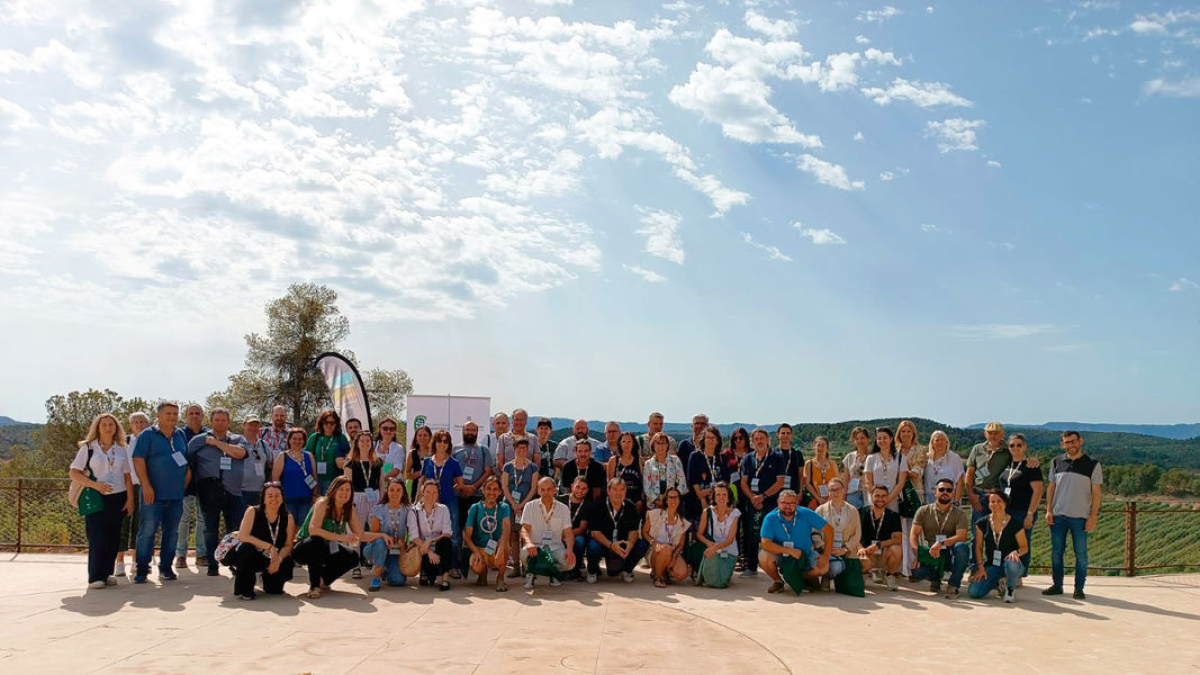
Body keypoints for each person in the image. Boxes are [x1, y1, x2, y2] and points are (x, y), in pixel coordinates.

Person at [69, 413, 133, 588]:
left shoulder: (121, 449)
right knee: (97, 536)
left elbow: (127, 476)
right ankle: (95, 577)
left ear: (116, 428)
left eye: (111, 424)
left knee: (113, 537)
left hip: (118, 496)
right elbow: (74, 472)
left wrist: (130, 499)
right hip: (96, 497)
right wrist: (95, 485)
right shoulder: (88, 448)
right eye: (104, 424)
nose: (108, 427)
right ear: (97, 427)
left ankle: (106, 573)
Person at [295, 475, 385, 598]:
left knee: (353, 557)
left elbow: (361, 535)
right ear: (334, 490)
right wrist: (342, 538)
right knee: (317, 540)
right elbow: (313, 530)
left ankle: (323, 580)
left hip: (326, 547)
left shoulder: (349, 508)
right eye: (341, 489)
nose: (344, 493)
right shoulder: (322, 503)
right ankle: (314, 586)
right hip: (304, 548)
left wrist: (382, 535)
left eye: (348, 490)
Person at [186, 408, 248, 577]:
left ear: (228, 422)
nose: (220, 423)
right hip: (209, 490)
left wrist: (216, 443)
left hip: (233, 491)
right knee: (210, 529)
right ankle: (212, 564)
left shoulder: (237, 439)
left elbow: (240, 453)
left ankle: (234, 562)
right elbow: (188, 463)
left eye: (223, 420)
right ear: (211, 421)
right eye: (217, 420)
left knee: (234, 529)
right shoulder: (198, 441)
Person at [132, 402, 188, 584]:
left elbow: (185, 462)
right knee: (147, 532)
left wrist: (183, 486)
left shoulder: (180, 435)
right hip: (152, 495)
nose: (172, 417)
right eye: (168, 413)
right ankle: (141, 569)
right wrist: (146, 486)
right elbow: (138, 460)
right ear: (158, 415)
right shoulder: (147, 435)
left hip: (175, 496)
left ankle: (165, 568)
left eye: (175, 413)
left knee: (171, 533)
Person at [1044, 430, 1102, 600]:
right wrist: (1048, 510)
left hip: (1081, 517)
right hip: (1058, 516)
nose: (1071, 445)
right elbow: (1051, 488)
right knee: (1056, 553)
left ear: (1080, 441)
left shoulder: (1093, 464)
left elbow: (1096, 493)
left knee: (1081, 554)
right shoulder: (1056, 462)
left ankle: (1079, 588)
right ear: (1062, 444)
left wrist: (1093, 516)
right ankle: (1057, 586)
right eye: (1067, 442)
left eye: (1073, 441)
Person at [228, 482, 296, 600]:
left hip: (273, 558)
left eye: (277, 495)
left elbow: (288, 545)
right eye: (270, 496)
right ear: (263, 498)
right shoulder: (252, 511)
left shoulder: (288, 517)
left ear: (282, 498)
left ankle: (268, 579)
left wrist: (278, 560)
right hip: (253, 554)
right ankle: (245, 588)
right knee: (246, 548)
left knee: (276, 587)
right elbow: (243, 536)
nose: (274, 499)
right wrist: (269, 547)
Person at [758, 490, 833, 594]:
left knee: (823, 567)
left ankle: (805, 578)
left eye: (791, 503)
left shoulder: (806, 513)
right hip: (781, 555)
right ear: (778, 502)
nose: (787, 506)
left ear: (796, 503)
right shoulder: (770, 518)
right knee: (763, 556)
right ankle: (778, 581)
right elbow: (765, 544)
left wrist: (826, 555)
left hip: (805, 554)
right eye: (784, 503)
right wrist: (790, 551)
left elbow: (829, 530)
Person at [909, 478, 971, 598]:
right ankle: (935, 579)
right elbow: (913, 535)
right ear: (935, 492)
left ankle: (953, 585)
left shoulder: (959, 514)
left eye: (949, 490)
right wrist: (916, 555)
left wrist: (941, 542)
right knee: (915, 573)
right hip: (931, 552)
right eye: (941, 489)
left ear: (953, 493)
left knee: (962, 548)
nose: (945, 492)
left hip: (949, 552)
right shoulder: (923, 511)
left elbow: (962, 536)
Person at [738, 428, 785, 577]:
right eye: (756, 439)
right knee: (752, 534)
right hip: (752, 503)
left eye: (762, 438)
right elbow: (744, 482)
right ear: (752, 441)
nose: (759, 441)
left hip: (770, 502)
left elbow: (780, 482)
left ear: (768, 440)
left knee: (774, 535)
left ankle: (777, 566)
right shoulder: (748, 459)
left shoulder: (777, 457)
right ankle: (751, 567)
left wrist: (763, 497)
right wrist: (753, 497)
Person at [969, 490, 1028, 602]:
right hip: (993, 565)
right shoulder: (982, 522)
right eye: (992, 501)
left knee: (1011, 563)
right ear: (989, 504)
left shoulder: (1015, 523)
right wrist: (981, 568)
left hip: (1012, 564)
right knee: (974, 592)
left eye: (999, 501)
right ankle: (998, 583)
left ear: (1005, 503)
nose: (996, 504)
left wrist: (1016, 552)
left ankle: (1010, 588)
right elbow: (978, 547)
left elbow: (1024, 547)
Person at [421, 429, 465, 578]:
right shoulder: (427, 461)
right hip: (429, 503)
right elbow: (422, 481)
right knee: (429, 532)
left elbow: (460, 483)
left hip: (449, 502)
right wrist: (419, 499)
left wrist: (448, 492)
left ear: (449, 444)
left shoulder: (453, 462)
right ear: (435, 443)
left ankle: (453, 566)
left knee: (452, 534)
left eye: (445, 441)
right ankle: (429, 567)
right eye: (439, 441)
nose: (442, 444)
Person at [454, 419, 495, 575]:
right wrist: (463, 487)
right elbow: (451, 472)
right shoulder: (455, 449)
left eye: (473, 430)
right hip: (459, 495)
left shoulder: (483, 450)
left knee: (476, 530)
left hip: (477, 496)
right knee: (457, 529)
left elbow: (488, 471)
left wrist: (474, 487)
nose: (470, 433)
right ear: (463, 431)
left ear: (477, 432)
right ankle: (458, 564)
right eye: (467, 430)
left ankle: (479, 562)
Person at [999, 433, 1043, 580]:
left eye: (1019, 445)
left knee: (1023, 543)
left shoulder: (1031, 467)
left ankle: (1019, 576)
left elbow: (1038, 491)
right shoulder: (1008, 465)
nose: (1015, 448)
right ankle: (1009, 572)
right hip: (1008, 511)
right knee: (1009, 542)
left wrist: (1030, 513)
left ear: (1025, 447)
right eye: (1012, 445)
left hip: (1023, 512)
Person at [519, 477, 577, 589]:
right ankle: (531, 573)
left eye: (549, 489)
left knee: (570, 562)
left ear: (555, 490)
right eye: (543, 489)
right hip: (535, 548)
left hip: (555, 548)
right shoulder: (529, 506)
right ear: (538, 491)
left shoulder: (563, 508)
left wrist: (569, 550)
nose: (546, 493)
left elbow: (569, 533)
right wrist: (529, 543)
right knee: (523, 553)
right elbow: (524, 529)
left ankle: (553, 573)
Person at [586, 479, 648, 583]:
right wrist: (611, 545)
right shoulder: (598, 506)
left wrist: (631, 543)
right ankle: (592, 571)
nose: (619, 493)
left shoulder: (630, 507)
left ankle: (627, 570)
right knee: (593, 547)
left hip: (621, 544)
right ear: (608, 490)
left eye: (622, 490)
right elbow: (594, 532)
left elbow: (634, 530)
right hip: (603, 543)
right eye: (615, 489)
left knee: (642, 544)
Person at [115, 411, 150, 577]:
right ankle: (119, 561)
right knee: (123, 523)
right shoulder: (124, 442)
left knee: (140, 525)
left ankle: (136, 560)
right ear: (130, 425)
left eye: (143, 422)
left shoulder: (152, 441)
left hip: (144, 488)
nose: (139, 425)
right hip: (125, 487)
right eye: (136, 422)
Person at [344, 431, 384, 578]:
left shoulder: (378, 461)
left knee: (375, 530)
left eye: (368, 441)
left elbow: (381, 483)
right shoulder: (350, 462)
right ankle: (355, 565)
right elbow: (346, 484)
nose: (365, 444)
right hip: (357, 498)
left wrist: (381, 500)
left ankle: (377, 564)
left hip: (374, 498)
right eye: (362, 441)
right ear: (357, 443)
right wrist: (349, 502)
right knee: (355, 532)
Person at [175, 403, 209, 570]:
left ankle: (201, 554)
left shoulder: (208, 434)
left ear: (203, 416)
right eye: (191, 413)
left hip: (204, 482)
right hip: (184, 483)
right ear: (186, 416)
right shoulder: (179, 434)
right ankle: (180, 555)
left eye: (198, 413)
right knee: (183, 520)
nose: (194, 416)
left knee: (202, 520)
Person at [464, 477, 512, 591]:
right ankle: (482, 573)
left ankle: (500, 578)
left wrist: (501, 549)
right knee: (476, 566)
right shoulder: (475, 508)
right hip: (480, 548)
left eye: (495, 489)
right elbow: (467, 536)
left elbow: (506, 529)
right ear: (483, 490)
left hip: (496, 547)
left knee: (505, 545)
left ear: (500, 492)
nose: (491, 492)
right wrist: (476, 552)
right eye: (488, 488)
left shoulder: (504, 507)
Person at [814, 478, 861, 590]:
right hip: (826, 551)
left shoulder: (853, 510)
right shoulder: (820, 510)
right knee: (835, 567)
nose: (835, 493)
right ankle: (827, 575)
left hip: (846, 551)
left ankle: (841, 578)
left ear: (844, 490)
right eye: (832, 490)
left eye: (838, 489)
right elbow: (814, 533)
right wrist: (825, 548)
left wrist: (845, 549)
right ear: (828, 492)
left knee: (862, 565)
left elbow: (857, 534)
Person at [364, 478, 411, 591]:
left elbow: (413, 531)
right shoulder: (379, 509)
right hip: (376, 548)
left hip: (395, 551)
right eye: (392, 490)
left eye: (398, 490)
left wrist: (403, 542)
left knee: (398, 581)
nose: (394, 493)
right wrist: (385, 537)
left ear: (403, 492)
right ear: (387, 491)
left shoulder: (408, 509)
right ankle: (377, 576)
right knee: (380, 541)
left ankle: (386, 569)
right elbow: (373, 535)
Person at [501, 437, 539, 577]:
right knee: (513, 536)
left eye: (524, 448)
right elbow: (504, 486)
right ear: (514, 449)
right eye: (519, 447)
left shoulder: (533, 467)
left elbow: (534, 488)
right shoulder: (507, 466)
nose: (522, 450)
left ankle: (526, 566)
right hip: (510, 505)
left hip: (526, 506)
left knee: (526, 536)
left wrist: (522, 505)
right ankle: (516, 567)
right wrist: (513, 504)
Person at [409, 480, 455, 591]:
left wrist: (430, 541)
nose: (431, 495)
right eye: (428, 492)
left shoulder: (443, 509)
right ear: (422, 492)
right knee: (420, 545)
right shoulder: (414, 511)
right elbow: (414, 536)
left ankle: (445, 578)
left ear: (438, 494)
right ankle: (424, 572)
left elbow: (447, 532)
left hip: (439, 548)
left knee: (446, 541)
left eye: (434, 492)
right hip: (423, 550)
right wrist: (429, 551)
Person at [695, 481, 741, 588]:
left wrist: (714, 548)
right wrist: (708, 543)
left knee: (721, 583)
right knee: (713, 581)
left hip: (729, 552)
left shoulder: (735, 514)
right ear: (714, 498)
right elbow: (699, 534)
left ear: (729, 497)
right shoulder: (707, 512)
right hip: (712, 551)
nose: (721, 497)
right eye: (718, 495)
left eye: (724, 494)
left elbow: (730, 540)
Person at [643, 487, 691, 587]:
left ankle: (663, 572)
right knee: (666, 549)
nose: (673, 500)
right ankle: (657, 577)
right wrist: (653, 542)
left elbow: (681, 545)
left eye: (676, 497)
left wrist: (674, 557)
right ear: (666, 500)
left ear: (679, 499)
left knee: (683, 574)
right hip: (655, 550)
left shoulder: (682, 522)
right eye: (670, 497)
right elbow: (644, 532)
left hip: (672, 553)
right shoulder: (655, 514)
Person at [858, 485, 904, 590]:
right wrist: (861, 548)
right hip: (866, 551)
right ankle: (863, 574)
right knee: (861, 556)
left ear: (887, 497)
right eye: (877, 496)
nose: (880, 499)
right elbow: (854, 534)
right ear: (871, 496)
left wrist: (879, 545)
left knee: (897, 549)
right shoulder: (861, 512)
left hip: (883, 551)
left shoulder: (893, 515)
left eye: (883, 496)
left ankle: (889, 575)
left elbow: (898, 539)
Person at [272, 428, 319, 526]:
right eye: (294, 438)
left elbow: (314, 477)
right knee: (289, 527)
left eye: (300, 439)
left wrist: (315, 495)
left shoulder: (309, 456)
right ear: (289, 440)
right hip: (288, 500)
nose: (297, 441)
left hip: (306, 499)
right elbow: (275, 479)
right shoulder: (283, 456)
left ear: (304, 441)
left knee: (303, 527)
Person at [686, 426, 726, 521]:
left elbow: (725, 480)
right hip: (698, 502)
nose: (711, 440)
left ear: (718, 441)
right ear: (703, 440)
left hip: (718, 501)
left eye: (713, 438)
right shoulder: (695, 456)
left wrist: (711, 491)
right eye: (708, 437)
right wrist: (702, 498)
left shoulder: (722, 458)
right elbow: (693, 479)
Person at [306, 410, 350, 494]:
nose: (329, 425)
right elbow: (307, 458)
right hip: (315, 481)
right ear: (321, 423)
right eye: (326, 422)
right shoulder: (314, 437)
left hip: (334, 482)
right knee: (316, 506)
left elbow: (347, 459)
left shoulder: (341, 438)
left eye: (332, 423)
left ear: (336, 424)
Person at [558, 476, 592, 580]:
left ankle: (575, 570)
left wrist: (567, 535)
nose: (580, 491)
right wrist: (560, 534)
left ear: (587, 490)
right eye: (578, 487)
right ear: (572, 487)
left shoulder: (587, 505)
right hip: (559, 533)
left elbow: (582, 528)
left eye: (584, 488)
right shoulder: (560, 500)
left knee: (580, 541)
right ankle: (560, 569)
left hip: (575, 534)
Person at [643, 432, 686, 511]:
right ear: (653, 445)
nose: (660, 446)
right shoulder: (648, 463)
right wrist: (658, 502)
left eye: (663, 443)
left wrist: (673, 498)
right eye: (658, 443)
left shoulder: (675, 460)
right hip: (653, 506)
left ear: (667, 445)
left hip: (673, 505)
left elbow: (682, 482)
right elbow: (647, 486)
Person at [922, 430, 965, 503]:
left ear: (947, 442)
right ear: (932, 443)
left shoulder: (954, 458)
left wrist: (956, 502)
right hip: (929, 498)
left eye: (942, 440)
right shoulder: (926, 458)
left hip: (948, 497)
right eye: (937, 440)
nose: (940, 442)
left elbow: (960, 482)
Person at [240, 415, 272, 508]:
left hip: (260, 492)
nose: (253, 428)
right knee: (241, 521)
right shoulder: (236, 442)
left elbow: (269, 465)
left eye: (256, 425)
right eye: (250, 425)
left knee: (258, 521)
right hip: (240, 492)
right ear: (244, 425)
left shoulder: (264, 444)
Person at [606, 431, 644, 509]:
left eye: (629, 441)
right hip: (617, 500)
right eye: (623, 441)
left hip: (636, 501)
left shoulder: (639, 460)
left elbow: (643, 481)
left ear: (633, 444)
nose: (626, 444)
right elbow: (609, 482)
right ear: (620, 443)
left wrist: (641, 500)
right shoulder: (613, 460)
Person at [841, 426, 871, 508]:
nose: (859, 441)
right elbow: (846, 480)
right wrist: (843, 497)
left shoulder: (874, 456)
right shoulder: (849, 457)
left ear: (868, 439)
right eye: (856, 439)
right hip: (852, 495)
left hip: (869, 494)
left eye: (862, 438)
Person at [803, 436, 838, 509]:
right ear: (814, 447)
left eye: (823, 445)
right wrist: (819, 498)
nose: (820, 448)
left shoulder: (833, 464)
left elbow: (837, 483)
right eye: (818, 445)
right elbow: (807, 483)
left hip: (832, 499)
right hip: (815, 500)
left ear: (827, 448)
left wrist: (829, 498)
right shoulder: (809, 463)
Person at [774, 423, 804, 496]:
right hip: (775, 494)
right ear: (777, 435)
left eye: (788, 433)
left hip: (794, 493)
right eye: (783, 433)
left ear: (791, 436)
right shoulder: (772, 453)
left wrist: (800, 492)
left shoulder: (797, 453)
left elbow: (801, 476)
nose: (785, 436)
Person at [404, 425, 435, 493]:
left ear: (430, 437)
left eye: (425, 435)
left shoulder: (435, 453)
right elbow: (407, 475)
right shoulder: (412, 453)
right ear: (416, 438)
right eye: (419, 435)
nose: (422, 438)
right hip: (416, 489)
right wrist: (422, 472)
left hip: (433, 490)